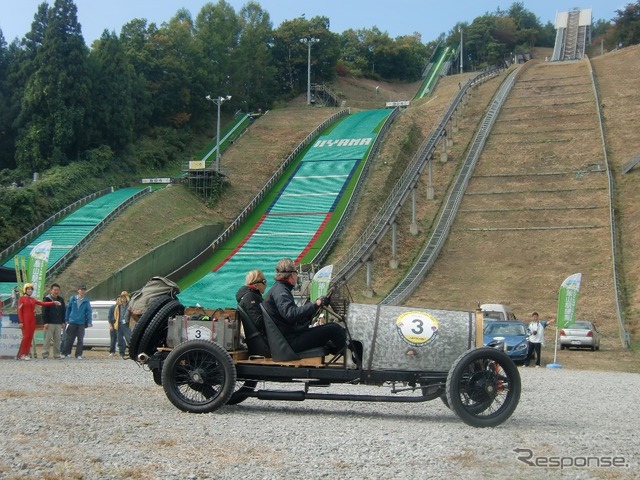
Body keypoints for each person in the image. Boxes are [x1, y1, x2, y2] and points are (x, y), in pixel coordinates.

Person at [261, 258, 346, 355]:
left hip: (288, 338)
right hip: (290, 342)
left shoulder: (279, 289)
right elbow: (291, 314)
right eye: (296, 272)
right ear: (292, 274)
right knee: (334, 329)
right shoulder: (281, 291)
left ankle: (351, 357)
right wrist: (315, 304)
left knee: (331, 341)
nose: (297, 275)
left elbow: (294, 317)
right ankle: (357, 359)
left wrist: (316, 307)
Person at [17, 283, 61, 361]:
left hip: (32, 320)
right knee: (26, 337)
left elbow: (42, 303)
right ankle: (21, 354)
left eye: (31, 289)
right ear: (25, 290)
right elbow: (19, 311)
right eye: (28, 289)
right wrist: (20, 321)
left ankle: (26, 353)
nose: (30, 291)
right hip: (25, 320)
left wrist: (53, 302)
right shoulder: (21, 299)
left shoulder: (33, 299)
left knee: (30, 337)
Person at [235, 269, 270, 356]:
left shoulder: (251, 296)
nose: (266, 285)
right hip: (262, 344)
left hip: (261, 341)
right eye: (264, 281)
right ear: (256, 284)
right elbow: (258, 322)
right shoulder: (250, 297)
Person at [62, 285, 92, 359]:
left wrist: (89, 321)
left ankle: (78, 354)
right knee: (69, 339)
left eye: (84, 290)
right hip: (72, 321)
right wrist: (66, 319)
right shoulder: (72, 299)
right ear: (78, 290)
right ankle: (66, 353)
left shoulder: (86, 301)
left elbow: (89, 311)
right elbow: (68, 309)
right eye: (81, 290)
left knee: (80, 340)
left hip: (81, 323)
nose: (82, 291)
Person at [41, 283, 66, 359]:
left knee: (57, 340)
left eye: (58, 290)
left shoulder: (61, 299)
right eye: (55, 290)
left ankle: (57, 354)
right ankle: (45, 354)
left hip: (58, 323)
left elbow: (63, 311)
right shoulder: (46, 299)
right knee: (47, 340)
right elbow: (44, 311)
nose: (56, 292)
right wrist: (45, 322)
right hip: (49, 323)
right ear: (51, 290)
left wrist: (63, 321)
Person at [113, 291, 132, 359]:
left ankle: (132, 352)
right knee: (120, 340)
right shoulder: (118, 306)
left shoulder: (130, 305)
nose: (123, 299)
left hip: (126, 324)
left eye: (125, 297)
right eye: (122, 297)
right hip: (119, 324)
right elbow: (115, 315)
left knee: (129, 339)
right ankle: (122, 353)